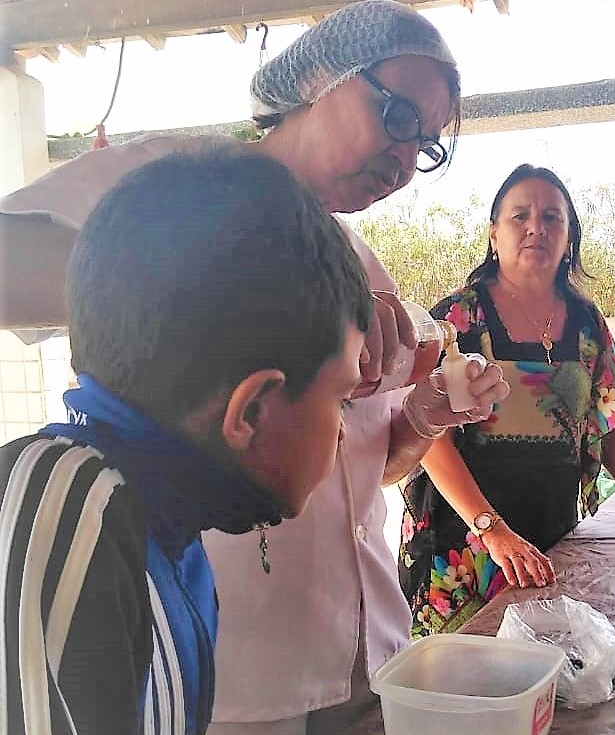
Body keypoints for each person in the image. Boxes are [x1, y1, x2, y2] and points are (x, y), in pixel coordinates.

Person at [0, 2, 509, 732]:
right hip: (236, 680)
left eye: (425, 144)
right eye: (399, 116)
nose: (405, 157)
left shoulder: (358, 262)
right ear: (320, 79)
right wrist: (253, 286)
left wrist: (427, 412)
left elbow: (369, 471)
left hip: (369, 654)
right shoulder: (177, 182)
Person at [0, 148, 372, 734]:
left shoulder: (165, 526)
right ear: (249, 411)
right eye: (340, 398)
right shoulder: (68, 505)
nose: (343, 427)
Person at [399, 163, 615, 637]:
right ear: (494, 234)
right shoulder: (458, 318)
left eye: (551, 218)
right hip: (463, 544)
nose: (535, 228)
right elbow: (431, 438)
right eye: (519, 216)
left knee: (553, 671)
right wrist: (492, 530)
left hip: (552, 534)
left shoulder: (586, 322)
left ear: (569, 236)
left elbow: (604, 426)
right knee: (463, 676)